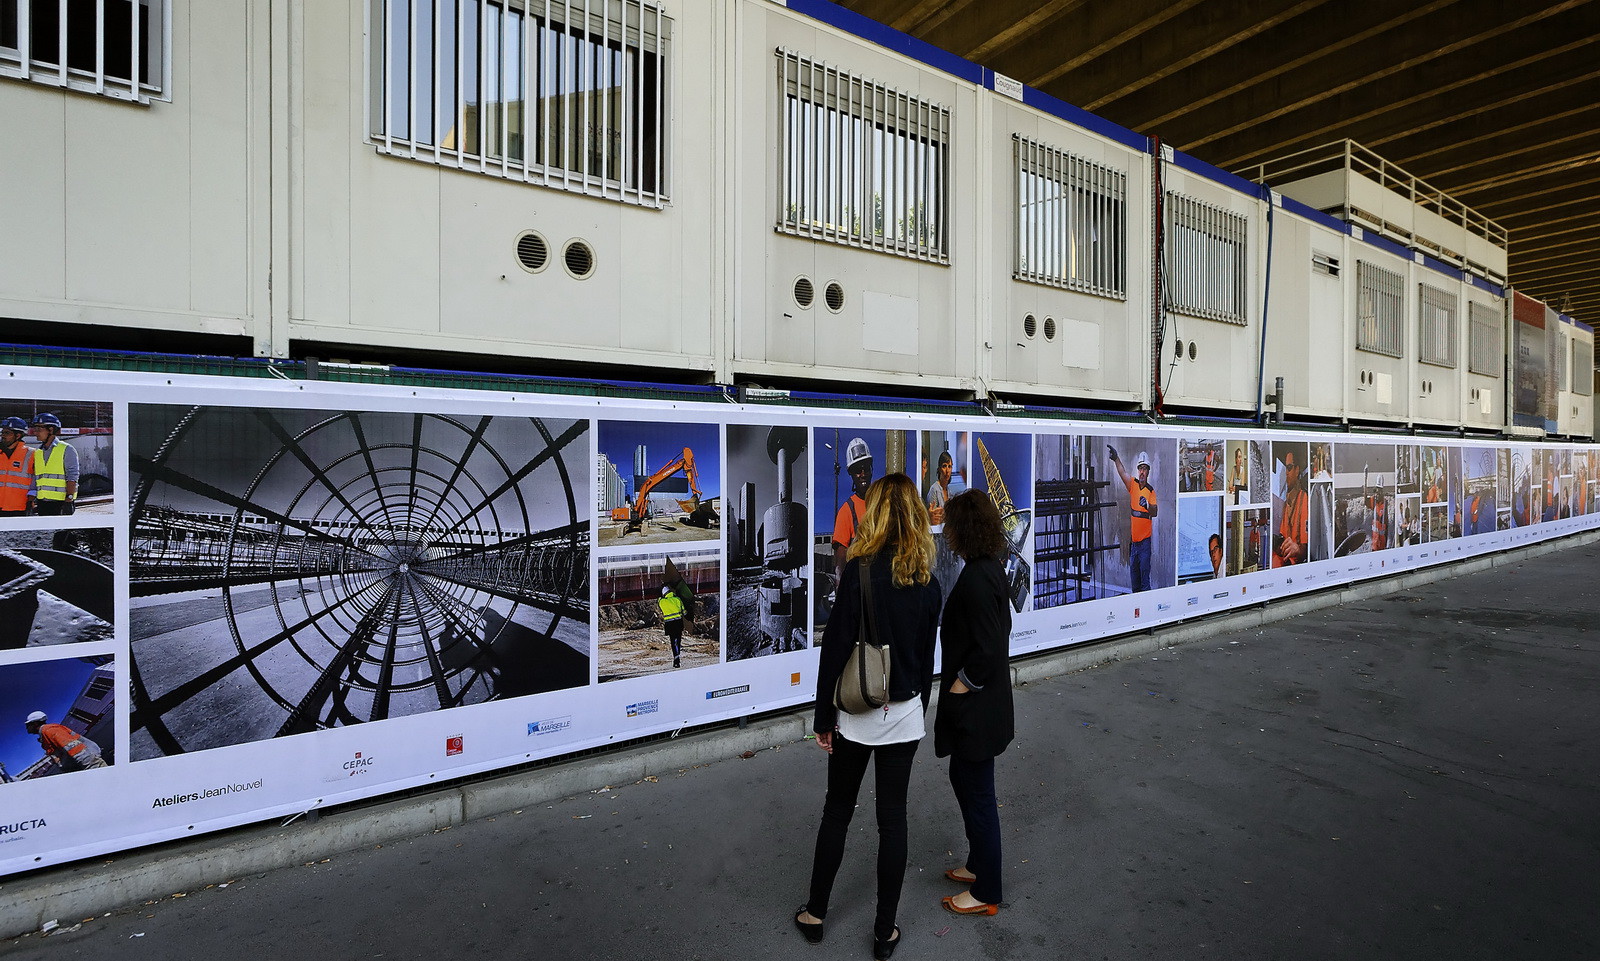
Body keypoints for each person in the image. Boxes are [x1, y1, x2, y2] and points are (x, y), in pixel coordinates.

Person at [797, 473, 940, 961]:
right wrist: (912, 702)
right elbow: (924, 660)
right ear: (916, 515)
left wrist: (822, 718)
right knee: (892, 820)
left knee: (838, 810)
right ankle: (884, 932)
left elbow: (834, 652)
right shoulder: (927, 580)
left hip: (856, 711)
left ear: (874, 511)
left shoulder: (858, 572)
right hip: (903, 715)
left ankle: (816, 914)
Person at [933, 490, 1014, 918]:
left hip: (977, 712)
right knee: (965, 780)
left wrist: (960, 688)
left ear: (963, 529)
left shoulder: (980, 578)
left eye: (950, 525)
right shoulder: (988, 569)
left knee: (979, 794)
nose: (945, 533)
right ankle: (979, 864)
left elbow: (987, 650)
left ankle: (988, 890)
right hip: (984, 711)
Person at [1108, 446, 1157, 592]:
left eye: (1145, 468)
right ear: (1138, 470)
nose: (1142, 472)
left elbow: (1155, 512)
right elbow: (1122, 472)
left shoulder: (1150, 491)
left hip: (1144, 545)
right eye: (1140, 468)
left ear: (1148, 471)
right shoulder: (1133, 485)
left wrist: (1147, 505)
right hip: (1134, 545)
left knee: (1144, 582)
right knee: (1135, 583)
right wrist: (1116, 458)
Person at [832, 437, 873, 576]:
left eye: (865, 468)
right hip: (861, 581)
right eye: (857, 470)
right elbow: (840, 562)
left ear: (871, 469)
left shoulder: (882, 502)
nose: (862, 474)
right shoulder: (846, 511)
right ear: (851, 474)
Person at [25, 711, 107, 772]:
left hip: (90, 763)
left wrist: (93, 767)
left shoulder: (49, 730)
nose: (26, 727)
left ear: (35, 723)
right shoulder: (44, 735)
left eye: (28, 725)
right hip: (81, 767)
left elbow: (76, 749)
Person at [29, 413, 77, 516]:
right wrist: (31, 499)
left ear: (51, 430)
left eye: (39, 429)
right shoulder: (38, 452)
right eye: (35, 429)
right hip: (42, 503)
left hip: (61, 503)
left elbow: (72, 476)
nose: (35, 432)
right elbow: (35, 478)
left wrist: (69, 499)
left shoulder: (67, 449)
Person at [1273, 451, 1308, 567]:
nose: (1286, 473)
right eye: (1285, 469)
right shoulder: (1286, 502)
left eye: (1289, 468)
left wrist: (1297, 549)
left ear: (1297, 470)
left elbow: (1306, 549)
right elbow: (1282, 537)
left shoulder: (1304, 498)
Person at [0, 417, 33, 516]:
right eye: (2, 432)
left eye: (7, 433)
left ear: (18, 435)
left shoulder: (31, 454)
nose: (3, 436)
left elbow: (36, 481)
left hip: (19, 508)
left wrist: (31, 500)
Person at [657, 585, 685, 669]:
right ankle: (677, 658)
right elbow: (684, 611)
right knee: (678, 641)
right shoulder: (677, 599)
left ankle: (676, 659)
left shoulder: (662, 602)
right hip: (678, 623)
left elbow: (658, 600)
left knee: (673, 642)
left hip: (670, 624)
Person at [927, 450, 955, 524]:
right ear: (939, 468)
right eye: (944, 466)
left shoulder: (949, 492)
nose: (947, 470)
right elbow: (933, 518)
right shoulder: (934, 489)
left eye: (949, 466)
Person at [1365, 470, 1388, 551]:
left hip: (1382, 540)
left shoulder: (1385, 503)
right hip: (1375, 540)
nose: (1377, 494)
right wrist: (1365, 479)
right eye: (1376, 492)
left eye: (1379, 492)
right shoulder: (1373, 501)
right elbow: (1365, 501)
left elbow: (1386, 522)